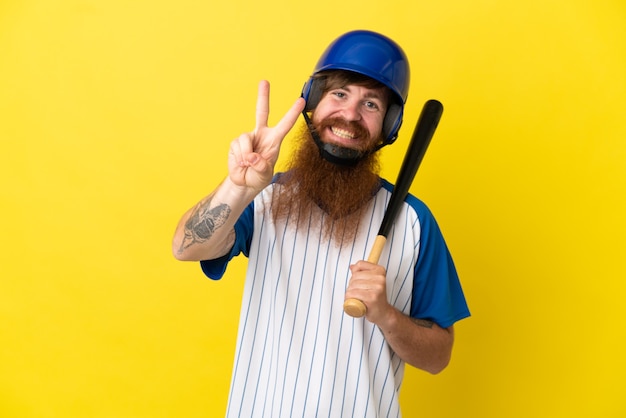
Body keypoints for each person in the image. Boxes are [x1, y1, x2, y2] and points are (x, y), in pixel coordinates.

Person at [172, 30, 470, 417]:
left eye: (371, 104)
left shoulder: (414, 222)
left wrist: (387, 315)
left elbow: (438, 357)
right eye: (340, 94)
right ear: (313, 101)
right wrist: (238, 185)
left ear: (390, 125)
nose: (350, 114)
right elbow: (186, 248)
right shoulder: (261, 198)